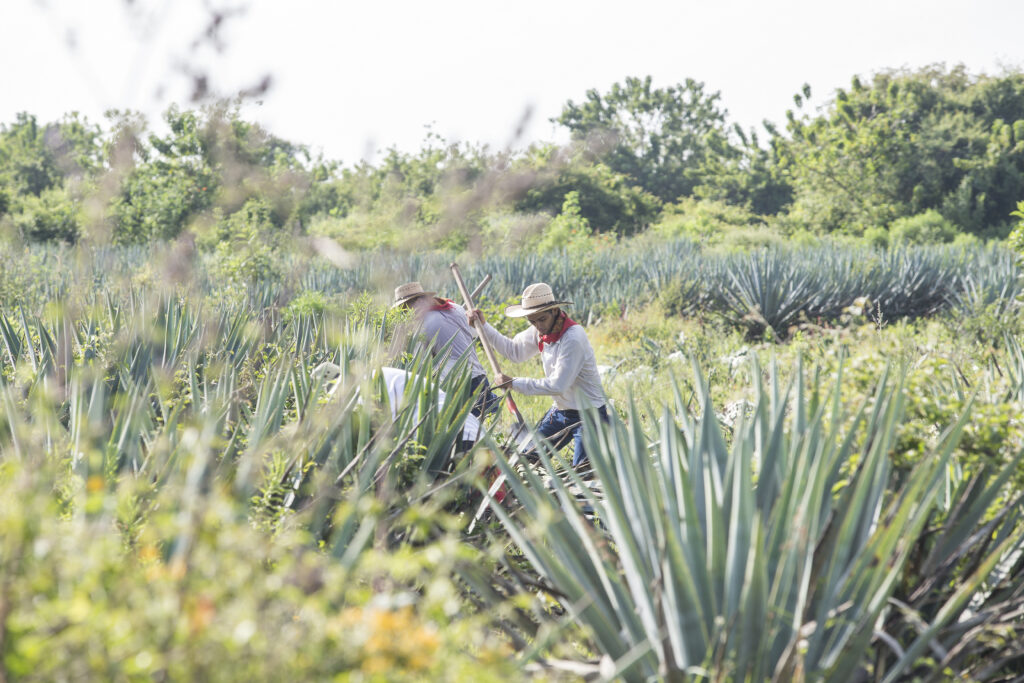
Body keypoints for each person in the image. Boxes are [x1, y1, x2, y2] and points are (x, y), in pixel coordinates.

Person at [467, 282, 608, 470]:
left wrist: (513, 383)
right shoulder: (540, 331)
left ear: (555, 311)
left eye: (541, 319)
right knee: (527, 457)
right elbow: (514, 351)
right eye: (532, 321)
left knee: (584, 473)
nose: (538, 326)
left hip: (589, 415)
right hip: (562, 411)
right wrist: (483, 326)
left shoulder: (573, 338)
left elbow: (558, 385)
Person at [393, 281, 498, 419]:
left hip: (458, 385)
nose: (406, 314)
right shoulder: (455, 308)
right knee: (483, 427)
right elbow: (471, 333)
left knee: (467, 433)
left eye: (406, 308)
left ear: (419, 302)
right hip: (479, 376)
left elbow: (420, 366)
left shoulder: (424, 326)